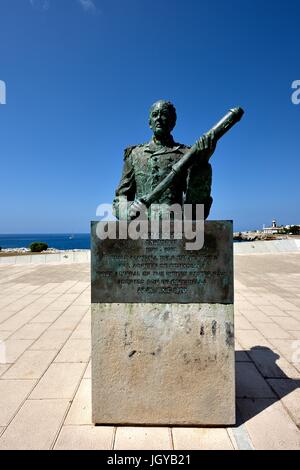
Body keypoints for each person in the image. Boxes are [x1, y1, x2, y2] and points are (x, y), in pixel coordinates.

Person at [113, 100, 216, 220]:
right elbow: (120, 199)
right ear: (149, 123)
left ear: (173, 121)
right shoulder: (135, 154)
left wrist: (202, 165)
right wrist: (128, 209)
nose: (159, 118)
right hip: (140, 228)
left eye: (164, 114)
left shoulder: (187, 154)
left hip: (174, 227)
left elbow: (197, 211)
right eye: (155, 114)